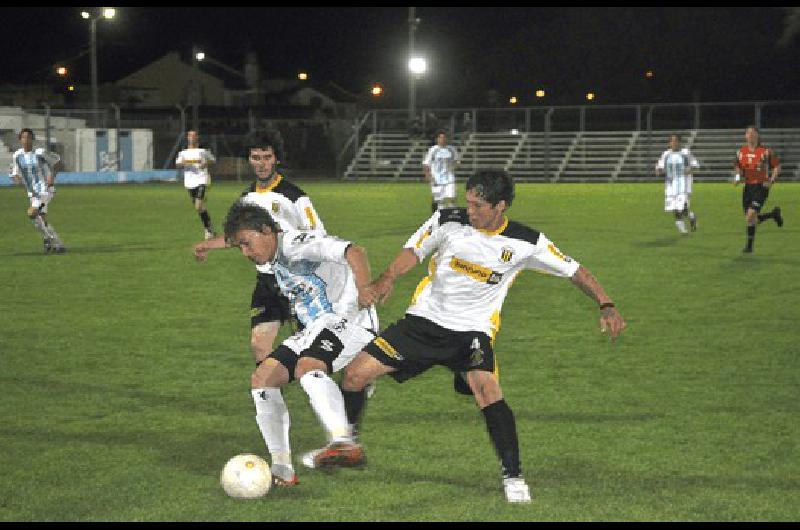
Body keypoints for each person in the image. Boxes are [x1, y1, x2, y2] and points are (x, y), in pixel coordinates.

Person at [304, 170, 627, 504]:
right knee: (355, 374)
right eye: (468, 202)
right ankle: (347, 444)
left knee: (487, 391)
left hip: (472, 332)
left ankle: (513, 477)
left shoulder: (526, 242)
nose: (469, 211)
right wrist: (387, 277)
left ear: (500, 206)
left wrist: (606, 303)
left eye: (478, 205)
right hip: (424, 322)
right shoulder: (447, 220)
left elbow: (576, 271)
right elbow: (413, 251)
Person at [193, 134, 328, 485]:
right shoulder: (247, 198)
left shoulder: (295, 196)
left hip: (298, 281)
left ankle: (335, 396)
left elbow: (319, 235)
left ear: (275, 159)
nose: (261, 163)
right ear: (249, 160)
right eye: (255, 157)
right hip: (268, 283)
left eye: (266, 157)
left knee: (320, 353)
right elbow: (237, 234)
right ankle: (273, 401)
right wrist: (209, 244)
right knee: (259, 347)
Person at [223, 200, 379, 487]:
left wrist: (365, 288)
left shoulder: (296, 243)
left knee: (308, 367)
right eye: (240, 247)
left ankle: (343, 441)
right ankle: (282, 468)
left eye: (247, 243)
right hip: (316, 328)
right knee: (263, 378)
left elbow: (354, 251)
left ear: (267, 230)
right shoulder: (271, 263)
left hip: (348, 321)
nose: (246, 253)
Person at [9, 128, 65, 253]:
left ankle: (48, 239)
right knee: (40, 220)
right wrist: (16, 179)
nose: (26, 140)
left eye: (28, 137)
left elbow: (58, 162)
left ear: (32, 139)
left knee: (32, 213)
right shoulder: (17, 155)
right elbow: (15, 174)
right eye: (23, 137)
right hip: (33, 194)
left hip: (46, 190)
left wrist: (51, 177)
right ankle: (58, 244)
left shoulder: (40, 152)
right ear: (20, 139)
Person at [734, 126, 783, 253]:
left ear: (757, 135)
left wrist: (771, 180)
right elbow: (737, 166)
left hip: (761, 187)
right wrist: (738, 177)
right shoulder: (741, 152)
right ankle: (773, 214)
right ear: (745, 136)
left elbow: (777, 167)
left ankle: (749, 247)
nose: (751, 135)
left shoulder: (766, 152)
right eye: (748, 133)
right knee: (751, 219)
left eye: (753, 133)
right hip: (748, 187)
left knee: (750, 216)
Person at [176, 130, 217, 240]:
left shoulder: (203, 151)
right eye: (190, 135)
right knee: (199, 207)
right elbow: (178, 164)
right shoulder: (183, 153)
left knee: (199, 205)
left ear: (197, 137)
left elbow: (213, 160)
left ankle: (208, 230)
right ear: (188, 138)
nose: (192, 138)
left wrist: (206, 163)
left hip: (201, 181)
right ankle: (209, 228)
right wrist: (183, 163)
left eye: (194, 136)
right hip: (189, 183)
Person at [656, 134, 699, 234]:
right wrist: (659, 171)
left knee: (682, 207)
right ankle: (684, 228)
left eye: (676, 141)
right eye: (672, 141)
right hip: (671, 185)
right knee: (674, 207)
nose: (674, 143)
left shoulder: (685, 153)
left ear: (679, 142)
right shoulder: (666, 154)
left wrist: (689, 170)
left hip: (684, 185)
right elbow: (659, 167)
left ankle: (690, 218)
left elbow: (695, 165)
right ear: (669, 143)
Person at [422, 130, 459, 213]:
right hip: (436, 179)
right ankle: (439, 216)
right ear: (437, 139)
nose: (442, 139)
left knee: (452, 197)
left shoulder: (451, 149)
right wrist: (428, 176)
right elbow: (426, 164)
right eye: (440, 138)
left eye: (444, 138)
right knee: (440, 200)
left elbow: (456, 160)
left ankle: (452, 216)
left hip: (449, 178)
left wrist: (452, 167)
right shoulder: (433, 150)